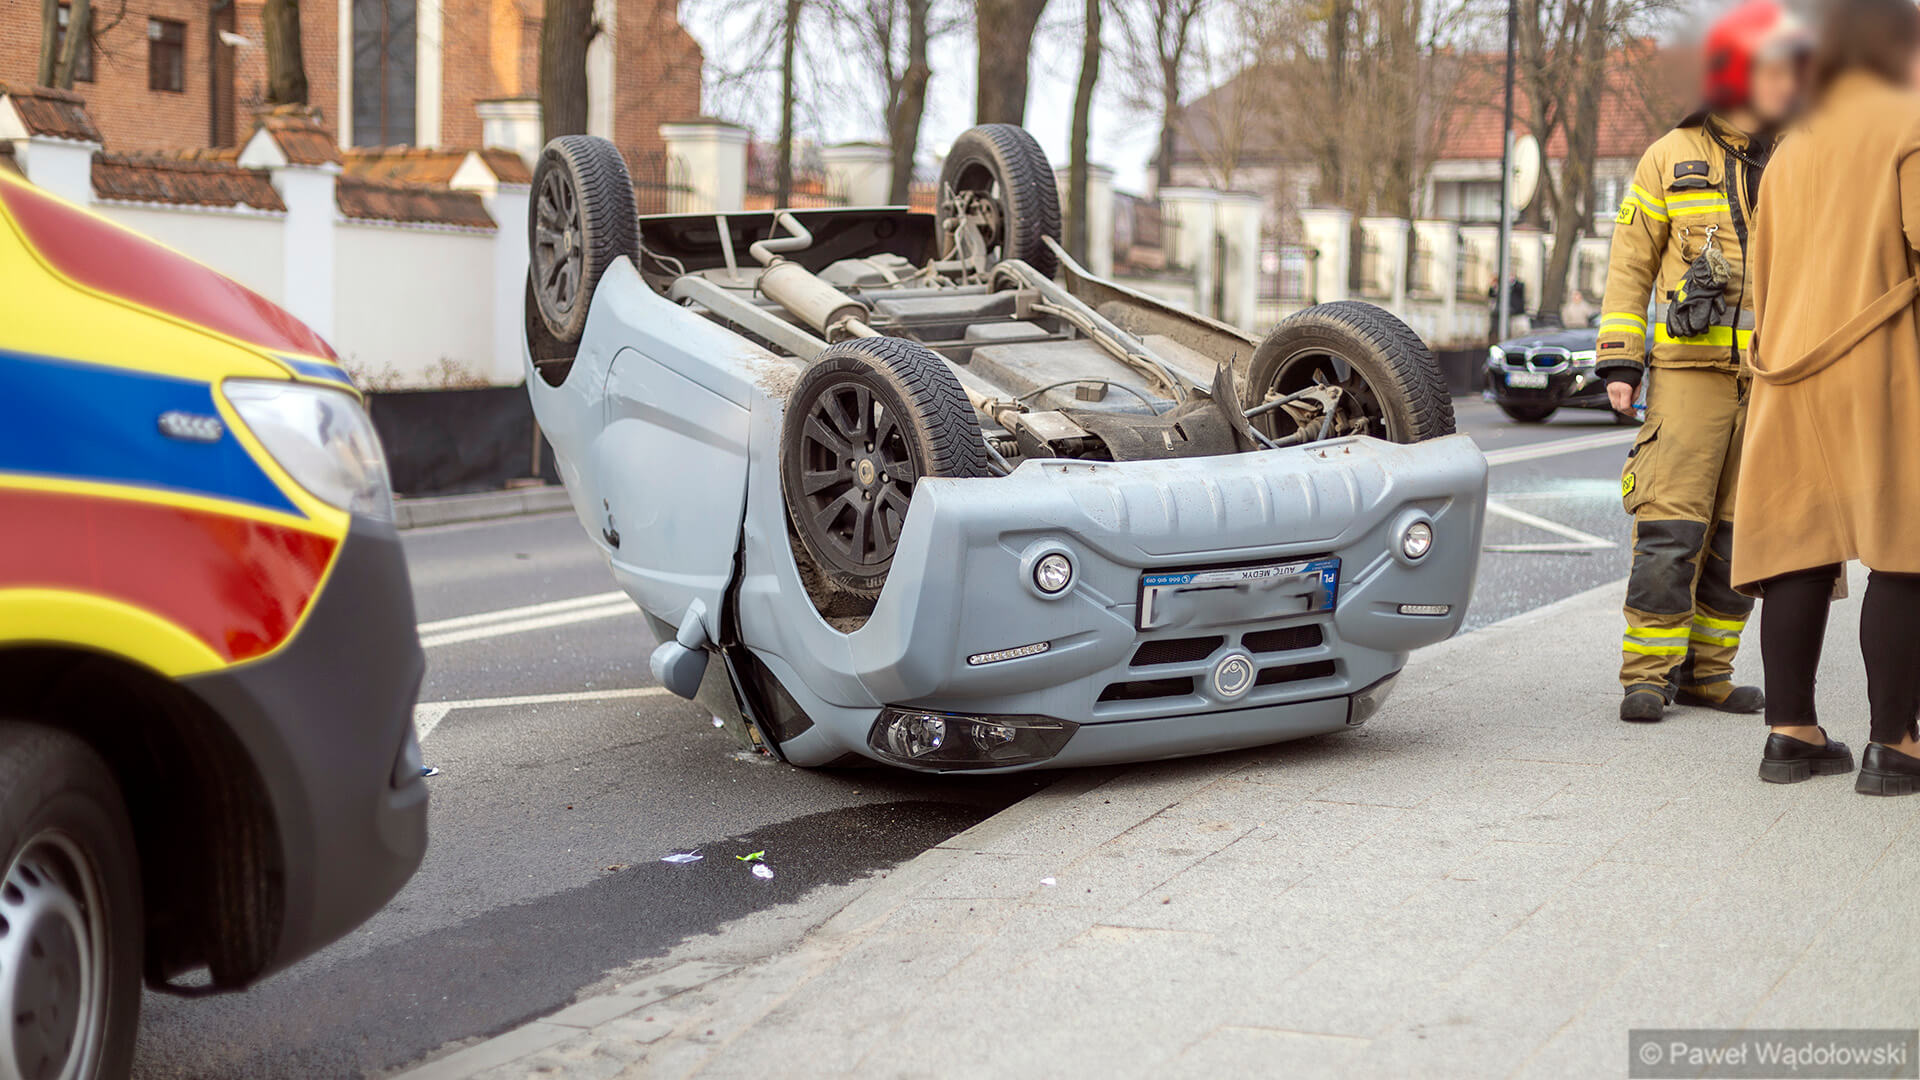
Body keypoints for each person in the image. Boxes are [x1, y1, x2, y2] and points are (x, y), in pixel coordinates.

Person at [1594, 0, 1809, 723]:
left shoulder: (1802, 155)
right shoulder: (1669, 157)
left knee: (1742, 534)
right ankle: (1648, 675)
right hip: (1688, 377)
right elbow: (1629, 270)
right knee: (1670, 526)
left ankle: (1709, 674)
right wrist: (1620, 363)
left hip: (1775, 377)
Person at [1740, 0, 1920, 793]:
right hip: (1880, 362)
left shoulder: (1790, 146)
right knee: (1905, 549)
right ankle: (1896, 744)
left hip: (1788, 371)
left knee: (1796, 550)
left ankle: (1791, 732)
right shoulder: (1910, 121)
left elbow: (1763, 277)